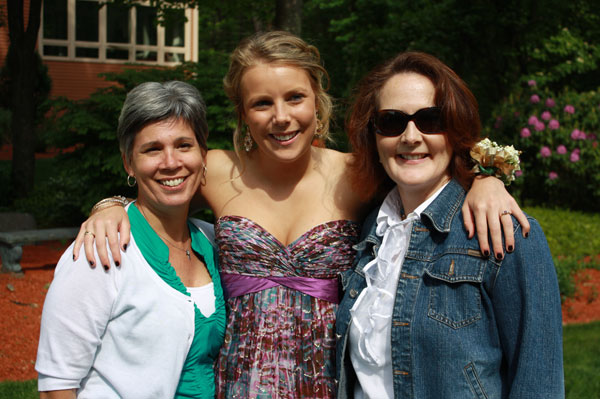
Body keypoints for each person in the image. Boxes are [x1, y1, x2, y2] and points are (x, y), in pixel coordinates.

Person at [72, 32, 529, 398]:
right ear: (243, 114)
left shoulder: (356, 174)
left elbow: (425, 164)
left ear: (317, 101)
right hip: (239, 383)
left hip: (327, 383)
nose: (281, 117)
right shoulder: (216, 171)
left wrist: (485, 180)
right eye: (262, 103)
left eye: (294, 98)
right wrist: (110, 207)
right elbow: (161, 178)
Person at [335, 52, 564, 398]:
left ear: (455, 131)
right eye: (392, 122)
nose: (410, 136)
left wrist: (489, 179)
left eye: (430, 119)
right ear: (374, 138)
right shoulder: (369, 232)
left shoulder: (505, 234)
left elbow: (539, 384)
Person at [35, 81, 226, 399]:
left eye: (183, 145)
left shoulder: (214, 241)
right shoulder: (100, 249)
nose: (170, 162)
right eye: (152, 149)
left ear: (203, 154)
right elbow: (57, 387)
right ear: (128, 162)